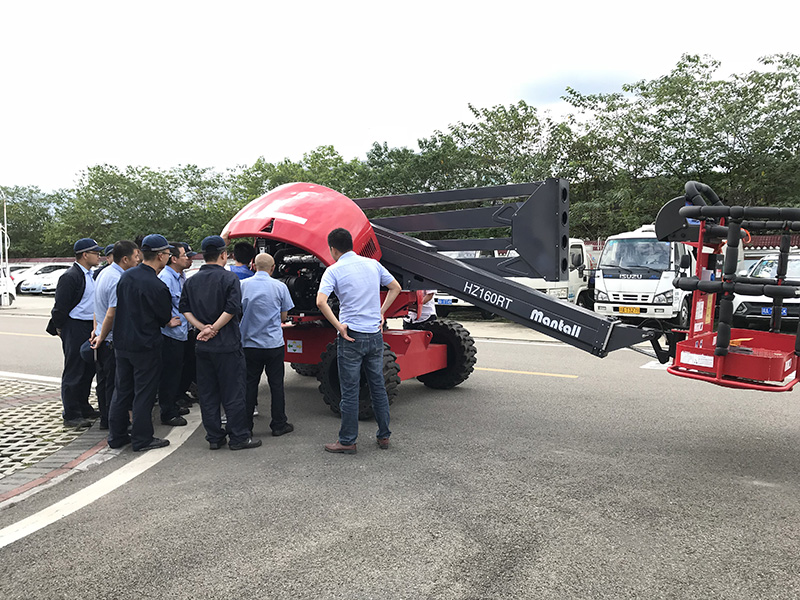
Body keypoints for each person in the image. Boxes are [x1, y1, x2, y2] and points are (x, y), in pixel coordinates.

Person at [316, 228, 401, 454]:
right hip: (375, 335)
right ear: (351, 244)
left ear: (333, 249)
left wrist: (338, 326)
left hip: (351, 336)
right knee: (378, 387)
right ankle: (384, 436)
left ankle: (348, 441)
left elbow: (321, 302)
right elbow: (396, 287)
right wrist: (382, 313)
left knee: (350, 391)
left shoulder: (333, 271)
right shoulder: (372, 264)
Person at [180, 235, 261, 451]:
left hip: (203, 345)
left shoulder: (191, 280)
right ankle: (238, 437)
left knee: (208, 394)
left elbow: (184, 308)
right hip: (227, 344)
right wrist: (214, 328)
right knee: (233, 392)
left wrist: (202, 328)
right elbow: (232, 308)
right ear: (223, 255)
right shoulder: (229, 279)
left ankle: (214, 437)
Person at [107, 234, 173, 452]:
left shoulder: (126, 276)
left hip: (122, 341)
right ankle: (142, 438)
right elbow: (164, 317)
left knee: (122, 390)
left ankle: (116, 435)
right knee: (144, 393)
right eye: (167, 253)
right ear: (161, 256)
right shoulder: (157, 285)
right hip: (145, 344)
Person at [46, 238, 103, 428]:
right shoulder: (70, 276)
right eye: (96, 253)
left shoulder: (91, 275)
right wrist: (61, 328)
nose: (99, 256)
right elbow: (60, 307)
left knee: (88, 368)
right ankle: (71, 413)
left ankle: (83, 405)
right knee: (74, 370)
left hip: (89, 325)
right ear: (85, 255)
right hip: (75, 325)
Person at [240, 252, 295, 436]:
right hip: (273, 344)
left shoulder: (243, 286)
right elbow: (284, 316)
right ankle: (279, 424)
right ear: (273, 268)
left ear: (253, 266)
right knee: (276, 385)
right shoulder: (280, 287)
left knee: (249, 385)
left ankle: (246, 427)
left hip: (249, 344)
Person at [90, 240, 140, 430]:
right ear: (125, 259)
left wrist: (96, 330)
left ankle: (106, 419)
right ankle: (115, 423)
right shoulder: (117, 279)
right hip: (110, 339)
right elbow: (112, 312)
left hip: (103, 337)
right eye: (136, 256)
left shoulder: (105, 272)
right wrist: (102, 335)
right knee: (114, 385)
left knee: (104, 384)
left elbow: (97, 307)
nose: (138, 260)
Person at [156, 242, 193, 427]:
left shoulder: (180, 275)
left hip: (182, 332)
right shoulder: (166, 278)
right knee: (169, 374)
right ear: (174, 258)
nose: (190, 258)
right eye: (186, 255)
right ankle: (167, 411)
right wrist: (166, 320)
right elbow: (160, 304)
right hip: (170, 334)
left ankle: (174, 402)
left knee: (178, 371)